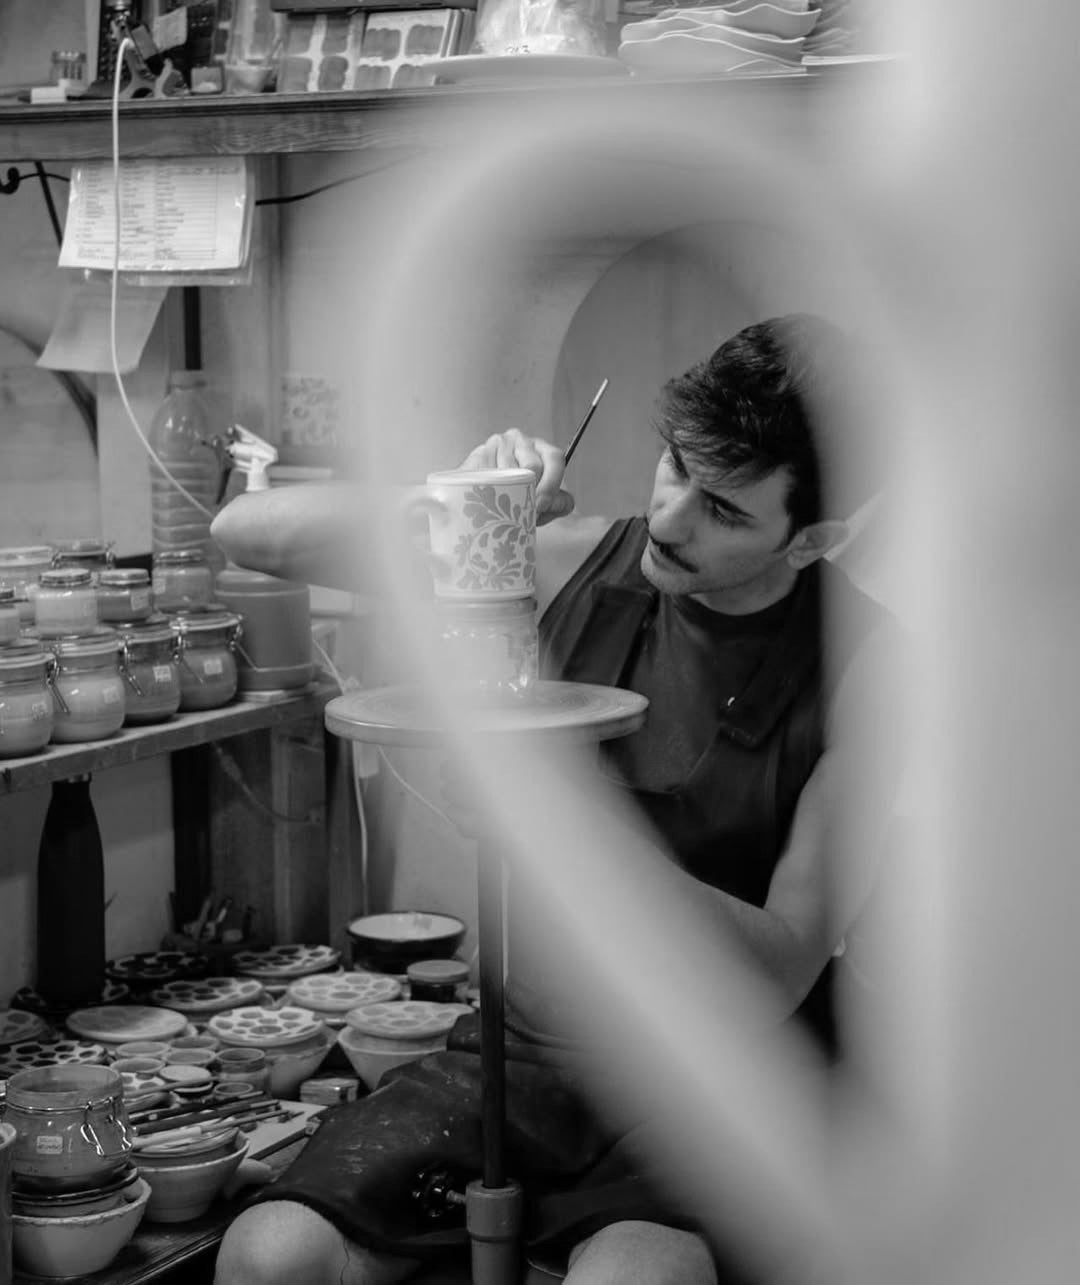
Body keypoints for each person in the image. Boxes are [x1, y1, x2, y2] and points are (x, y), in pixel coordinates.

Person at [211, 314, 898, 1285]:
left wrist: (566, 819)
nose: (668, 519)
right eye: (673, 467)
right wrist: (460, 501)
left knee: (631, 1276)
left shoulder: (872, 667)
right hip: (530, 1045)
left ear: (817, 535)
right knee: (269, 1255)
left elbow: (783, 967)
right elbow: (243, 532)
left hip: (721, 1076)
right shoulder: (579, 556)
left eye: (726, 510)